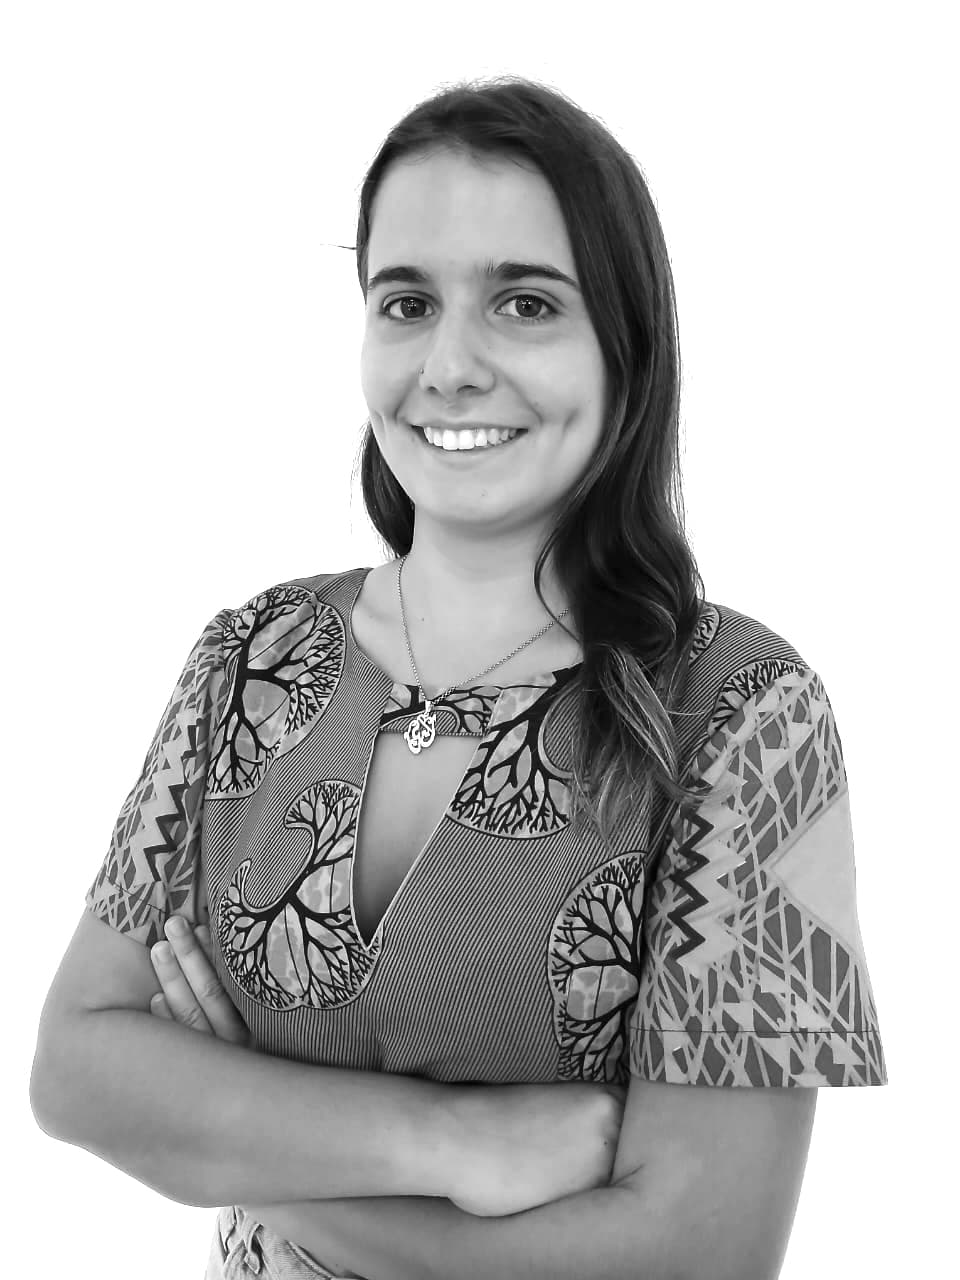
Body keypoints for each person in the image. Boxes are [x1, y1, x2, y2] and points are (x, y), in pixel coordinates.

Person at [30, 75, 887, 1280]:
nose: (451, 363)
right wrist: (456, 1140)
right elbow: (75, 1069)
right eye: (407, 301)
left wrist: (230, 1128)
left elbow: (697, 1254)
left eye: (525, 303)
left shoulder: (749, 716)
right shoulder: (249, 658)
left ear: (626, 345)